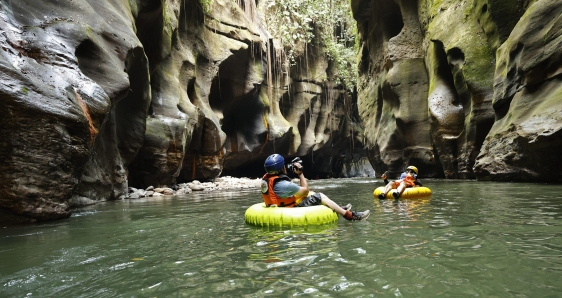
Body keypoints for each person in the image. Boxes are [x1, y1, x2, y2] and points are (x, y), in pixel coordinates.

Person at [261, 154, 370, 221]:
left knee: (311, 194)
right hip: (288, 210)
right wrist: (300, 174)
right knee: (319, 196)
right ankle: (349, 216)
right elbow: (305, 190)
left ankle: (337, 208)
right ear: (282, 167)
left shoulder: (266, 180)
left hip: (276, 206)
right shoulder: (284, 185)